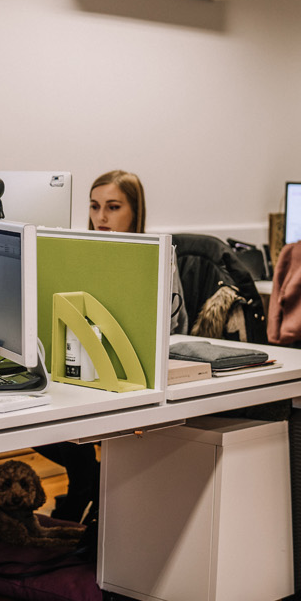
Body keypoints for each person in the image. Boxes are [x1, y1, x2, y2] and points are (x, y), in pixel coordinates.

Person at [38, 170, 188, 522]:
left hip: (134, 372)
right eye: (94, 206)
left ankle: (85, 493)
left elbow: (174, 327)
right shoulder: (77, 251)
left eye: (113, 206)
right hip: (78, 365)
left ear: (134, 211)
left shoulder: (158, 256)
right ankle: (86, 485)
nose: (101, 217)